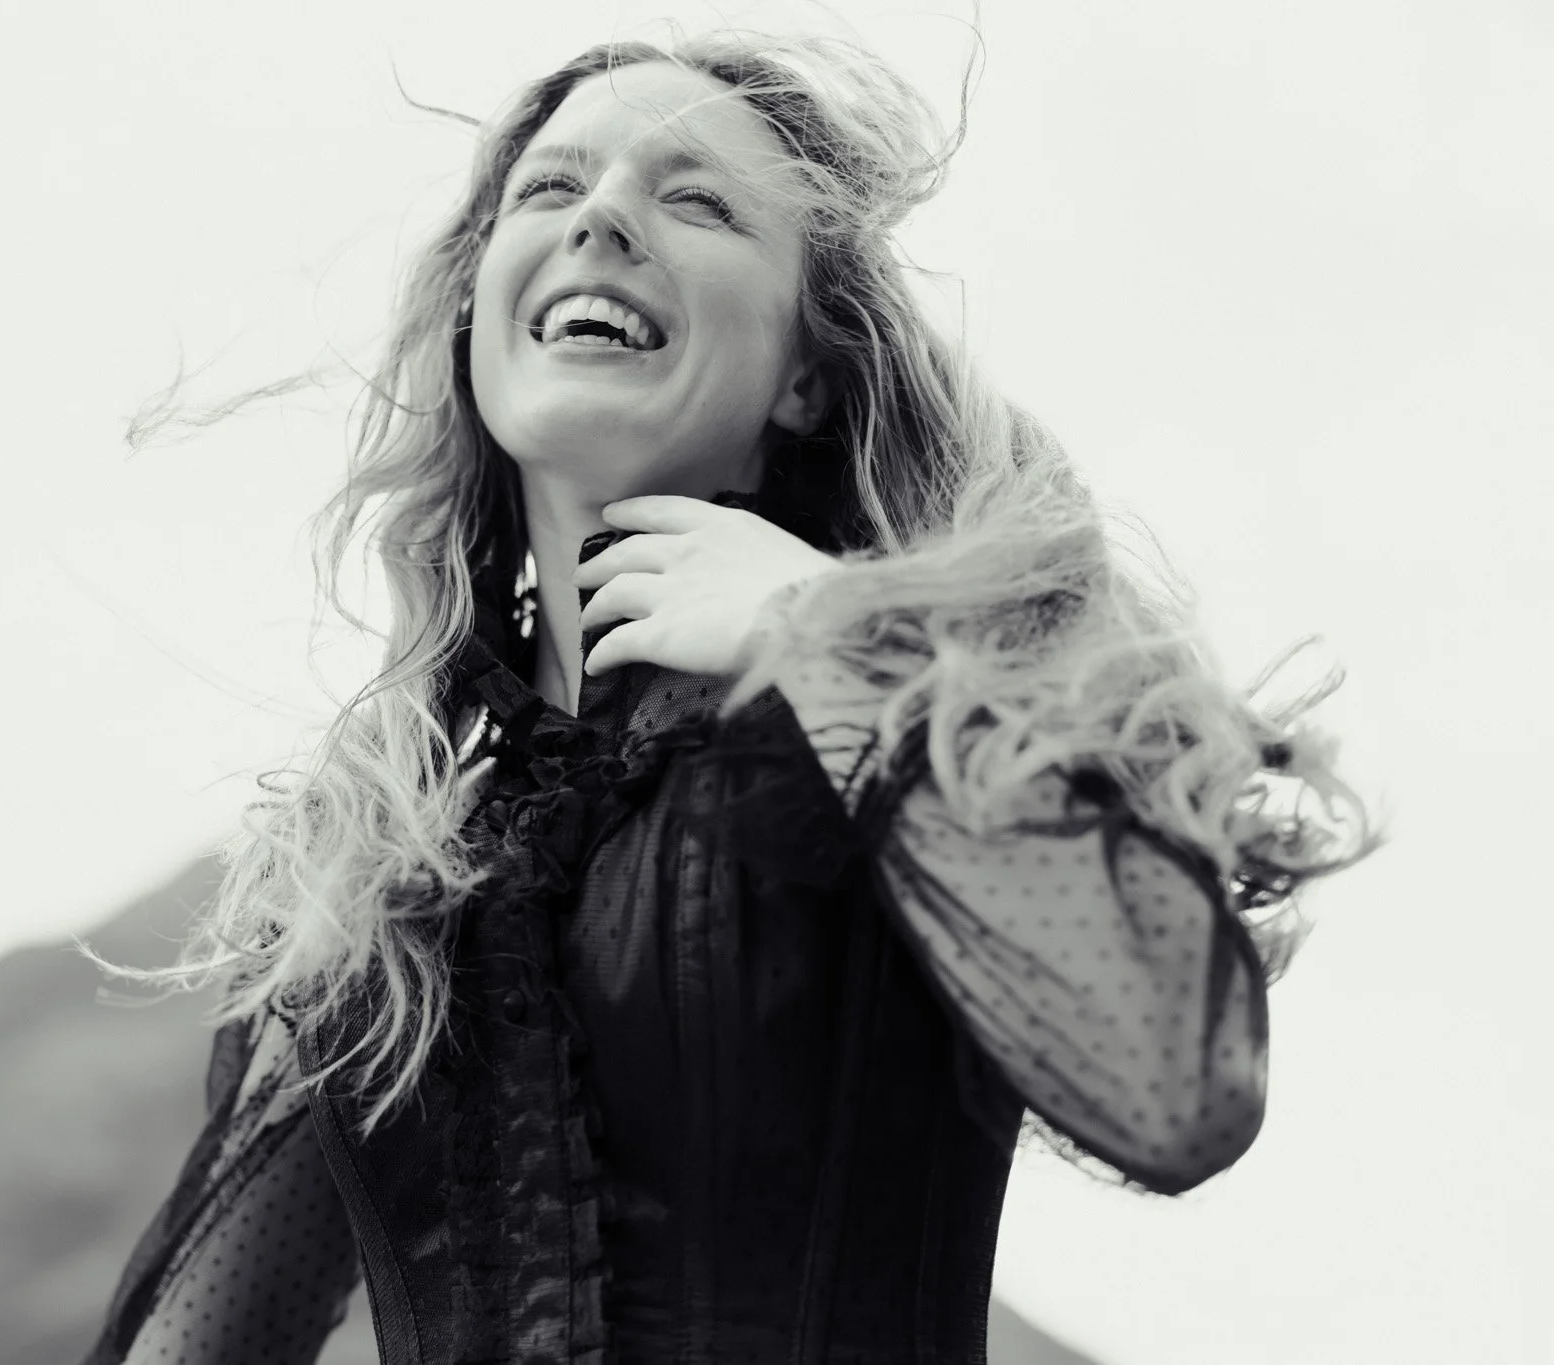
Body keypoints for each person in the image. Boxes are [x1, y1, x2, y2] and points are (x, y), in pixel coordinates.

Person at [76, 29, 1382, 1365]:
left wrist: (817, 632)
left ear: (808, 377)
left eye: (693, 200)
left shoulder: (941, 718)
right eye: (549, 189)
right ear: (481, 313)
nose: (602, 219)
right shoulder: (383, 863)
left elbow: (1173, 1088)